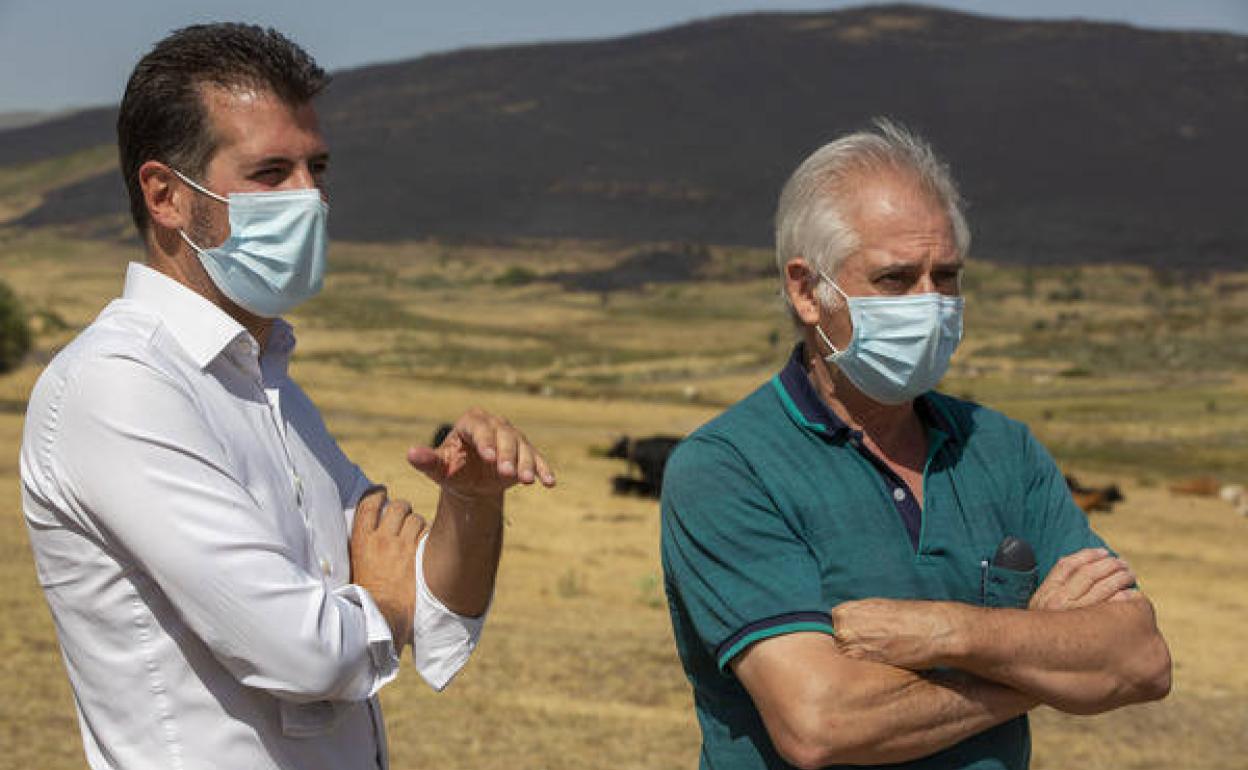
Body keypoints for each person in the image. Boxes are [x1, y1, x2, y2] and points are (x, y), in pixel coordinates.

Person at [19, 23, 554, 770]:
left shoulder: (270, 384)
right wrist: (386, 604)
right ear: (166, 195)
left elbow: (429, 600)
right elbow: (301, 652)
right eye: (270, 174)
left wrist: (472, 503)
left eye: (317, 167)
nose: (310, 198)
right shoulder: (118, 388)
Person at [660, 119, 1170, 770]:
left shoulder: (1002, 449)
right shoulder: (731, 467)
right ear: (806, 289)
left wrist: (946, 630)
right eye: (897, 280)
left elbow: (1140, 660)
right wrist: (1038, 660)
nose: (931, 305)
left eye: (947, 276)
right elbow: (823, 724)